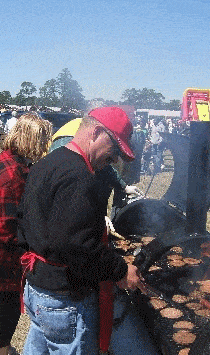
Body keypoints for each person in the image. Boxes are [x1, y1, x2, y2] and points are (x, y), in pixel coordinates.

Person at [18, 106, 147, 355]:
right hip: (64, 300)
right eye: (115, 149)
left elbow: (24, 220)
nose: (115, 159)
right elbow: (76, 244)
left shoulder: (47, 162)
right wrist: (121, 270)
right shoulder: (80, 176)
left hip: (37, 289)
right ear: (97, 132)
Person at [0, 113, 53, 355]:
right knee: (6, 311)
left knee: (3, 308)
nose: (43, 146)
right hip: (1, 257)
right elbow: (7, 227)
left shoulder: (11, 161)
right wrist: (33, 247)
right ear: (27, 139)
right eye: (40, 140)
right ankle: (1, 350)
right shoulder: (11, 172)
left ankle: (2, 346)